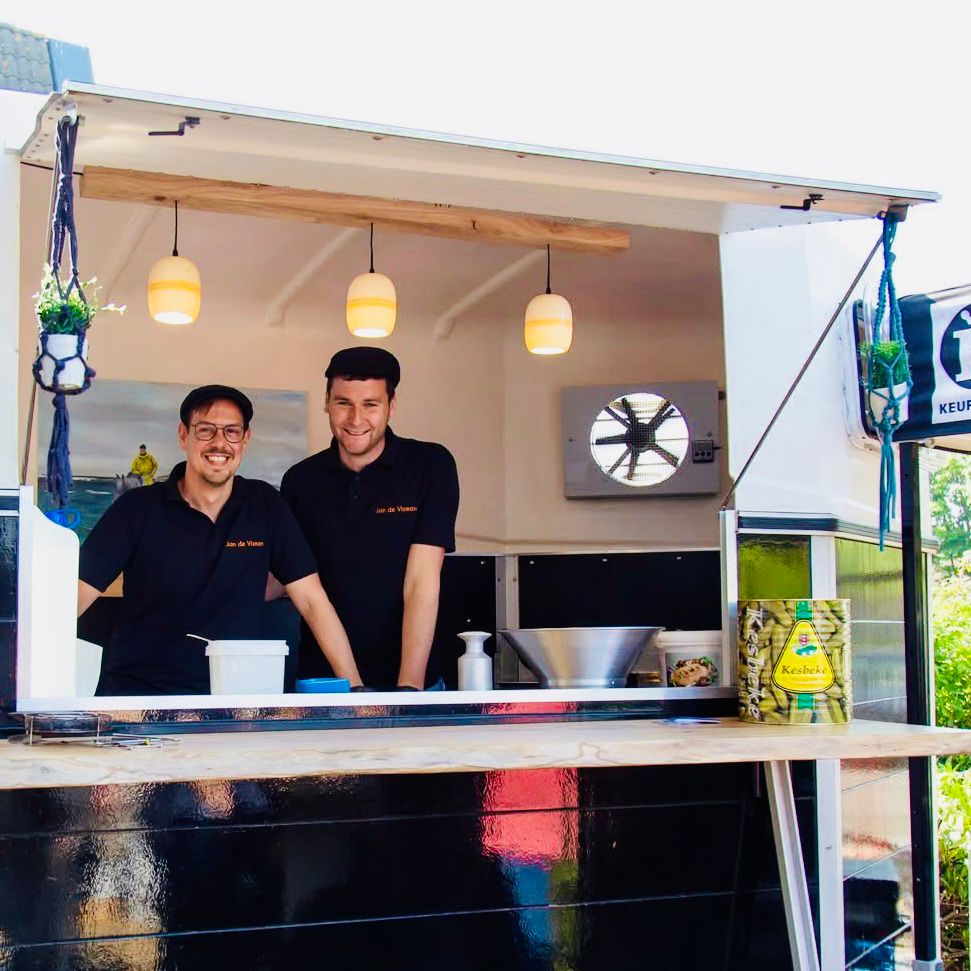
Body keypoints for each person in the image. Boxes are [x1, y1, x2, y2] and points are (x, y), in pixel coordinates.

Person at [78, 384, 363, 695]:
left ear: (245, 439)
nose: (219, 443)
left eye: (231, 431)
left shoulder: (264, 504)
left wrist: (357, 690)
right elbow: (75, 595)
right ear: (183, 435)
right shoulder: (136, 508)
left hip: (235, 699)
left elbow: (312, 601)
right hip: (139, 700)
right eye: (205, 430)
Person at [280, 347, 459, 690]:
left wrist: (409, 690)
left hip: (415, 678)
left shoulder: (430, 466)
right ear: (327, 403)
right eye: (343, 403)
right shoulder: (300, 481)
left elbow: (421, 581)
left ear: (392, 406)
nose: (356, 419)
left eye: (370, 404)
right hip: (325, 682)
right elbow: (299, 583)